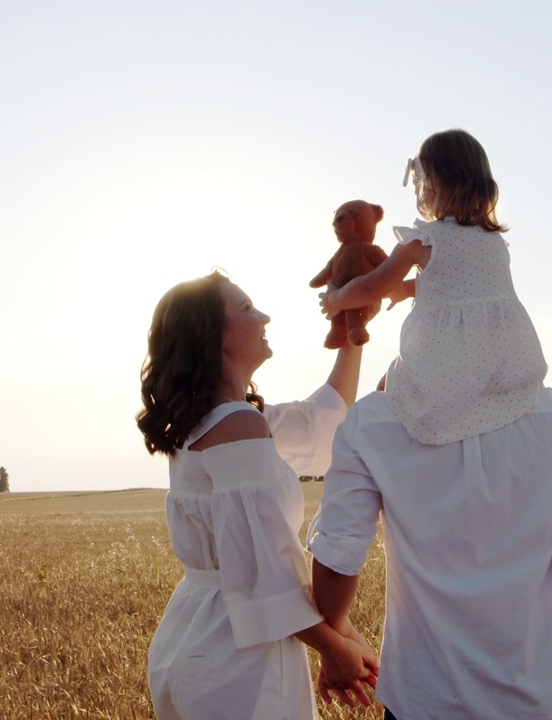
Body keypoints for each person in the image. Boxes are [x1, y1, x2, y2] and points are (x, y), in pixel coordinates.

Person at [307, 131, 552, 719]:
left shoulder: (373, 425)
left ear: (431, 184)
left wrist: (341, 301)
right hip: (546, 701)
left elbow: (339, 558)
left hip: (426, 701)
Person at [136, 270, 378, 719]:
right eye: (247, 308)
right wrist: (334, 647)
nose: (264, 316)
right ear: (215, 337)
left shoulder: (219, 420)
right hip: (239, 654)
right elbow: (265, 571)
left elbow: (322, 424)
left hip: (197, 633)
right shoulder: (237, 427)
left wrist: (352, 334)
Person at [318, 128, 548, 445]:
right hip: (501, 357)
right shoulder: (493, 242)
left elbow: (371, 287)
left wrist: (336, 299)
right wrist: (408, 289)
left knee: (387, 393)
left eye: (417, 183)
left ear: (432, 184)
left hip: (443, 355)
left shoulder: (424, 240)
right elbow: (458, 286)